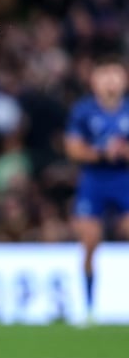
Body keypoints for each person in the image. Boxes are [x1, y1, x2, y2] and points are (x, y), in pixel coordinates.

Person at [64, 59, 129, 325]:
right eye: (105, 74)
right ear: (94, 81)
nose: (111, 80)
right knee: (90, 240)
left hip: (124, 179)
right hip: (94, 180)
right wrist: (103, 153)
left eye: (115, 74)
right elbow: (73, 149)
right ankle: (89, 307)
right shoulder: (83, 111)